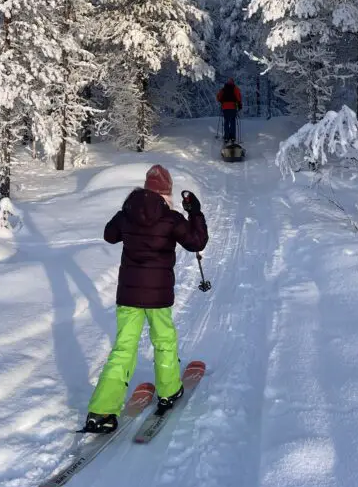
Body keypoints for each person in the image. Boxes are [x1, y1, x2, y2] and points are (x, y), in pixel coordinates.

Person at [83, 164, 208, 433]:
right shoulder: (171, 218)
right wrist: (195, 212)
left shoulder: (128, 212)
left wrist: (127, 215)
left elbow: (109, 234)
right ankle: (169, 390)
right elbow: (197, 242)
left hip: (128, 295)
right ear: (167, 192)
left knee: (123, 348)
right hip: (158, 296)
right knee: (163, 341)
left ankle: (102, 410)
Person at [216, 78, 242, 144]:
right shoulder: (235, 88)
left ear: (227, 83)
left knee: (226, 122)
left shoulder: (223, 89)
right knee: (233, 121)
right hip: (233, 107)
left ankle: (226, 137)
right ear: (233, 82)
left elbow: (218, 97)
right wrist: (239, 105)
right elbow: (239, 97)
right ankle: (233, 137)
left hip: (225, 108)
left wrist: (222, 102)